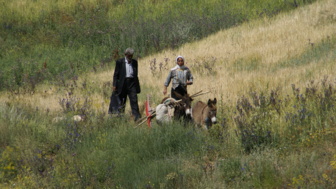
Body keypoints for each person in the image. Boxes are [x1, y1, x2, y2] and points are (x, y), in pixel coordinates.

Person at [108, 48, 141, 121]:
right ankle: (120, 117)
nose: (130, 57)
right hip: (122, 83)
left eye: (131, 56)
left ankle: (136, 117)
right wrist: (114, 85)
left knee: (134, 99)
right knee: (122, 100)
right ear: (125, 55)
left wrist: (136, 85)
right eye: (129, 56)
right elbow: (116, 74)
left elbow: (136, 74)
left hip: (132, 83)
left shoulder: (135, 62)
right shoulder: (120, 62)